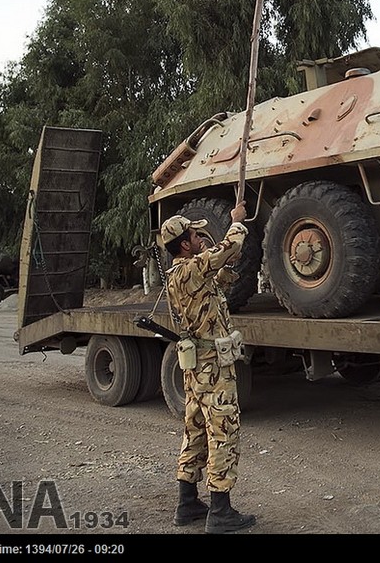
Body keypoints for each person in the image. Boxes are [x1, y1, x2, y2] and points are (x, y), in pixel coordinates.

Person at [160, 203, 256, 534]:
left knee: (196, 429)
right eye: (194, 233)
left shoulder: (184, 274)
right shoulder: (190, 270)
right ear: (184, 243)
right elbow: (229, 246)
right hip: (211, 365)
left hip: (196, 366)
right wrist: (237, 223)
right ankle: (220, 510)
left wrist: (229, 267)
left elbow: (215, 286)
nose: (200, 235)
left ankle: (187, 504)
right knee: (224, 429)